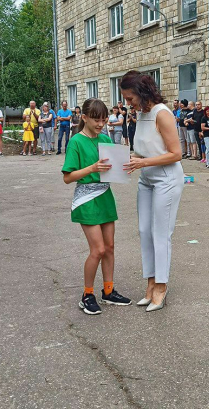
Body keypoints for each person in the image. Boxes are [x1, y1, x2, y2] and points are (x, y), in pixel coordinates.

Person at [62, 97, 132, 315]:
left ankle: (108, 291)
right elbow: (68, 177)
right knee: (98, 250)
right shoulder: (76, 141)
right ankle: (87, 295)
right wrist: (92, 168)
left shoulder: (105, 138)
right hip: (86, 199)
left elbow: (114, 166)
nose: (101, 124)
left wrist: (127, 164)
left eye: (104, 120)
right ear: (84, 118)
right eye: (96, 120)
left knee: (109, 247)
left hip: (105, 195)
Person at [121, 70, 184, 312]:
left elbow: (176, 154)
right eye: (126, 99)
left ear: (142, 92)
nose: (128, 103)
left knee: (160, 233)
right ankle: (150, 282)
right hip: (146, 179)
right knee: (144, 231)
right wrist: (126, 160)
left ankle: (161, 285)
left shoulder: (162, 114)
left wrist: (143, 162)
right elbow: (144, 150)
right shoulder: (141, 114)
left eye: (130, 98)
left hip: (166, 179)